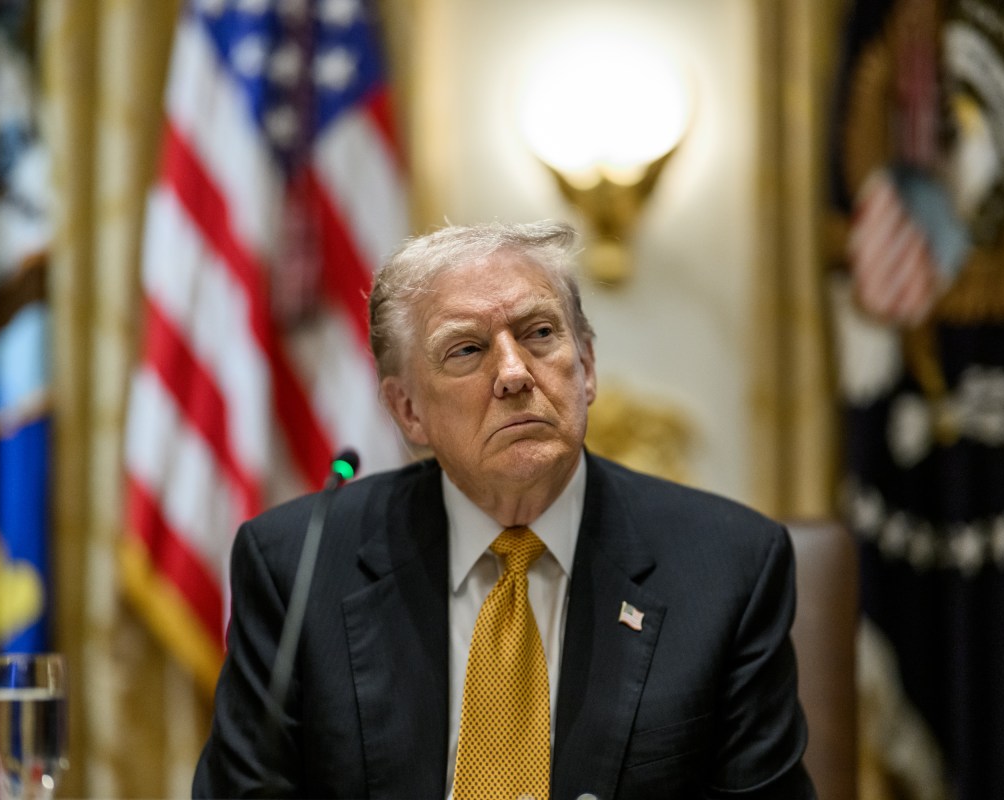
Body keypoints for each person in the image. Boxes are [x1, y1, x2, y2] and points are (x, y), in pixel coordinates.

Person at [192, 220, 816, 799]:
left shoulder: (728, 569)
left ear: (588, 367)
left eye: (540, 333)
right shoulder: (296, 568)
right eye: (466, 350)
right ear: (408, 411)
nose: (515, 373)